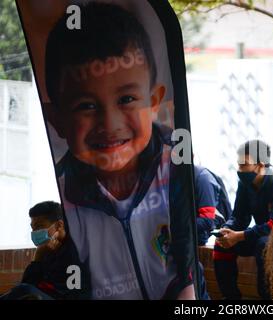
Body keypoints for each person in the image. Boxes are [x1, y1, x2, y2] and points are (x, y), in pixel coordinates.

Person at [44, 2, 195, 299]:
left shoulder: (176, 170)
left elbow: (187, 261)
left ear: (154, 102)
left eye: (126, 98)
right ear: (57, 120)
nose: (109, 123)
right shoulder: (65, 198)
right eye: (86, 106)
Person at [213, 140, 273, 299]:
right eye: (239, 165)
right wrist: (227, 230)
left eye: (244, 165)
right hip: (264, 235)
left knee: (264, 245)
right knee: (222, 245)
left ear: (261, 165)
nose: (239, 170)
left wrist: (239, 236)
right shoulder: (245, 184)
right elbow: (239, 217)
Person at [1, 201, 87, 300]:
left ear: (59, 225)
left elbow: (74, 294)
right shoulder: (46, 250)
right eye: (32, 228)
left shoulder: (76, 251)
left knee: (24, 290)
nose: (34, 232)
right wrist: (37, 258)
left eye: (39, 226)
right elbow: (29, 284)